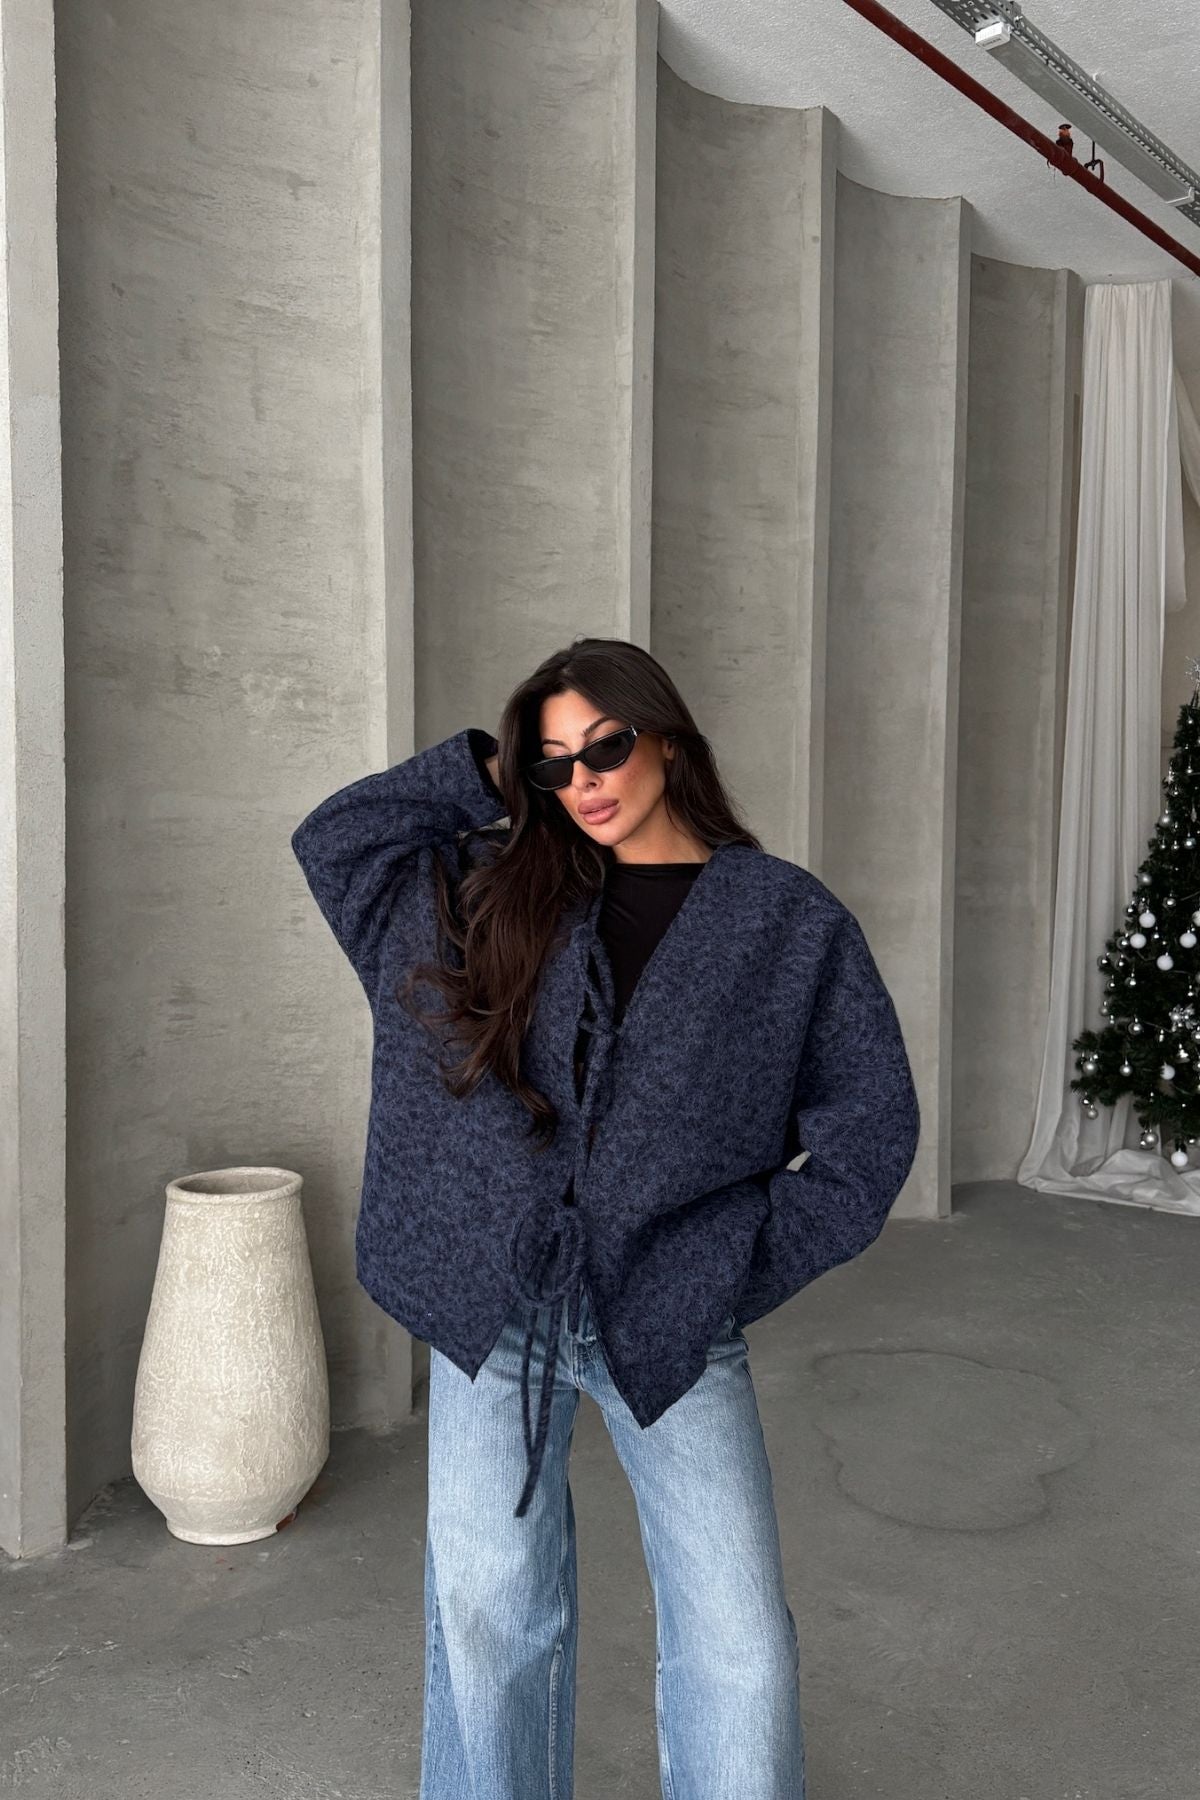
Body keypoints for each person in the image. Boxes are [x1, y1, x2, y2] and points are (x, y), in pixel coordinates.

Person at [290, 635, 920, 1800]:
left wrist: (730, 1263)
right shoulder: (494, 887)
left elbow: (869, 1132)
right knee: (489, 1612)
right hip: (496, 1309)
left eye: (607, 747)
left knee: (739, 1642)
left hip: (670, 1310)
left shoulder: (787, 923)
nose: (583, 780)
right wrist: (484, 773)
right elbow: (337, 840)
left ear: (667, 739)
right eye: (554, 763)